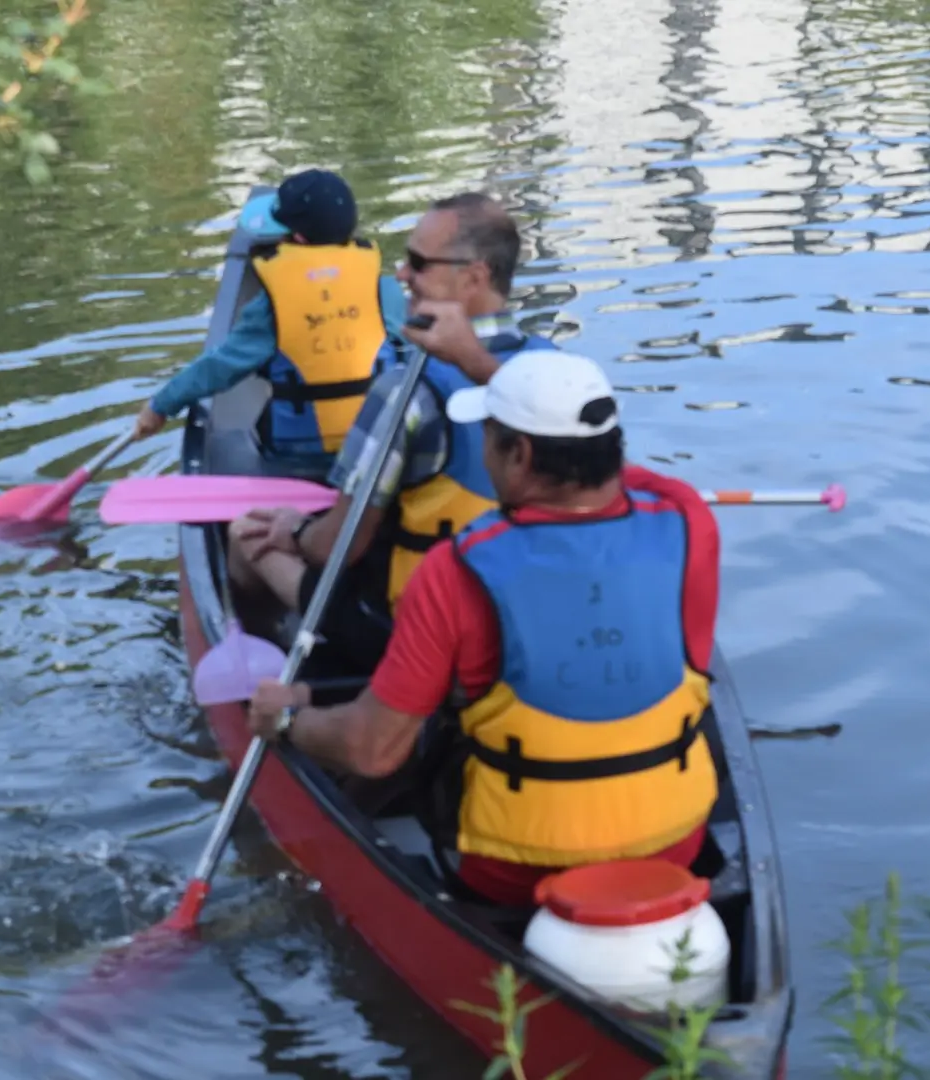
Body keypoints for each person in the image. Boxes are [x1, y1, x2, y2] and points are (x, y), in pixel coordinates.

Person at [247, 349, 721, 907]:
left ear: (518, 453)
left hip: (516, 870)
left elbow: (371, 751)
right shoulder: (691, 521)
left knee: (419, 724)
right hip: (675, 842)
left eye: (488, 440)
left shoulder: (454, 570)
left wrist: (285, 719)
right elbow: (619, 476)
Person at [227, 191, 557, 668]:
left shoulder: (405, 394)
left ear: (474, 278)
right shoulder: (561, 372)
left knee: (245, 534)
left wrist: (294, 529)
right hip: (523, 606)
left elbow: (335, 547)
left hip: (411, 627)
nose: (401, 275)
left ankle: (279, 665)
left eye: (418, 264)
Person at [133, 169, 407, 477]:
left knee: (234, 442)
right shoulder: (385, 290)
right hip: (375, 448)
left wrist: (160, 406)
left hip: (300, 462)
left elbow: (219, 368)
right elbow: (410, 359)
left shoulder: (271, 304)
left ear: (297, 238)